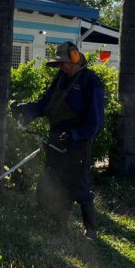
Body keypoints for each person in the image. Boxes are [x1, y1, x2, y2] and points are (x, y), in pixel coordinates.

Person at [13, 42, 105, 237]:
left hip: (78, 142)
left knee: (79, 185)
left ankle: (90, 229)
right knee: (54, 179)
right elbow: (45, 104)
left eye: (63, 63)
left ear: (75, 59)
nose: (61, 67)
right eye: (59, 63)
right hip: (56, 136)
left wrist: (75, 135)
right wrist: (25, 109)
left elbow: (95, 123)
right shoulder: (61, 78)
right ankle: (58, 224)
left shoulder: (91, 82)